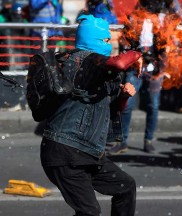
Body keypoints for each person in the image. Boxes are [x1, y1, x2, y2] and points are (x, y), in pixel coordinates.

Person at [39, 14, 142, 216]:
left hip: (87, 152)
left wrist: (122, 95)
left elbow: (113, 111)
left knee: (125, 187)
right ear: (95, 40)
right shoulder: (80, 59)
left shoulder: (100, 70)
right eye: (106, 41)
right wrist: (137, 55)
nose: (109, 45)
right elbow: (120, 64)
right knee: (89, 212)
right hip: (66, 151)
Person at [106, 0, 170, 154]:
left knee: (153, 106)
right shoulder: (135, 17)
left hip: (154, 67)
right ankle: (122, 141)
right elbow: (125, 41)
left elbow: (165, 45)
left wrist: (161, 66)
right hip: (135, 67)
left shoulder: (161, 20)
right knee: (127, 104)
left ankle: (148, 140)